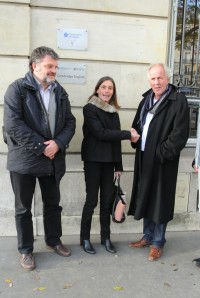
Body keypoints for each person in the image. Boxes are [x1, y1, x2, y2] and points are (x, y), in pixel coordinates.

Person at [3, 46, 76, 270]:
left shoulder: (59, 91)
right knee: (23, 208)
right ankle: (25, 250)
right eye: (49, 66)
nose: (53, 70)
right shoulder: (17, 89)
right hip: (24, 160)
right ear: (35, 66)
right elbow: (13, 125)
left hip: (53, 160)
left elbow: (70, 122)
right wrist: (41, 146)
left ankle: (53, 240)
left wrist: (58, 143)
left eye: (55, 66)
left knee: (53, 205)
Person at [128, 63, 189, 261]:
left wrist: (162, 153)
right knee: (146, 196)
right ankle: (147, 236)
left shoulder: (177, 100)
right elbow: (137, 123)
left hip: (163, 161)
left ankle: (158, 242)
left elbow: (180, 134)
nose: (156, 82)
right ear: (149, 80)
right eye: (153, 78)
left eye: (160, 78)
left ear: (168, 78)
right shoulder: (146, 99)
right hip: (144, 157)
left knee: (160, 200)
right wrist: (134, 136)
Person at [80, 76, 139, 254]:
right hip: (93, 161)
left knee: (106, 202)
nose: (107, 91)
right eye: (104, 87)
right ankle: (85, 239)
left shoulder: (113, 111)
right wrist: (128, 133)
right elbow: (101, 133)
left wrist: (118, 165)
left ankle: (106, 238)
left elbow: (115, 142)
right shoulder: (89, 108)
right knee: (91, 201)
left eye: (110, 88)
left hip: (109, 162)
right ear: (97, 89)